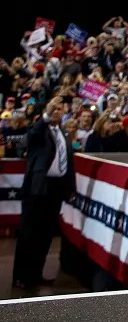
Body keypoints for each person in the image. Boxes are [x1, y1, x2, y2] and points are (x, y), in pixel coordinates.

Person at [14, 99, 73, 290]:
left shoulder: (64, 133)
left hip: (55, 189)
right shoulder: (40, 131)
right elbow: (28, 138)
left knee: (46, 234)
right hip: (37, 187)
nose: (57, 112)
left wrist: (69, 188)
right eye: (53, 109)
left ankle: (36, 273)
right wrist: (45, 117)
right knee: (29, 233)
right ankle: (21, 277)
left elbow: (68, 162)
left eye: (59, 109)